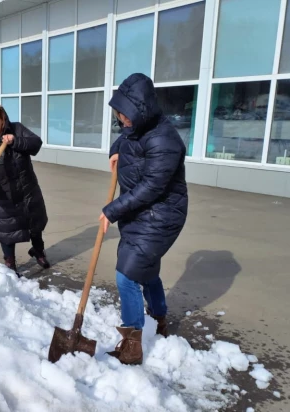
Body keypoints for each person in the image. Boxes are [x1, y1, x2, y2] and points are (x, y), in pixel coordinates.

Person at [99, 73, 188, 365]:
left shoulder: (165, 139)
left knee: (126, 276)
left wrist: (111, 210)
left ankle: (132, 344)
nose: (121, 119)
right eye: (119, 114)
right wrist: (115, 151)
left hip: (161, 214)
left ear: (141, 109)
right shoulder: (136, 126)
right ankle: (160, 321)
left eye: (125, 114)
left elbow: (151, 187)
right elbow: (124, 138)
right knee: (146, 270)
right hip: (139, 212)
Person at [0, 102, 50, 276]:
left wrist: (15, 141)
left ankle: (38, 251)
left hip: (27, 190)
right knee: (7, 230)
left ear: (3, 119)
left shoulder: (17, 129)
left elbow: (36, 143)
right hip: (2, 196)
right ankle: (10, 263)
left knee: (34, 224)